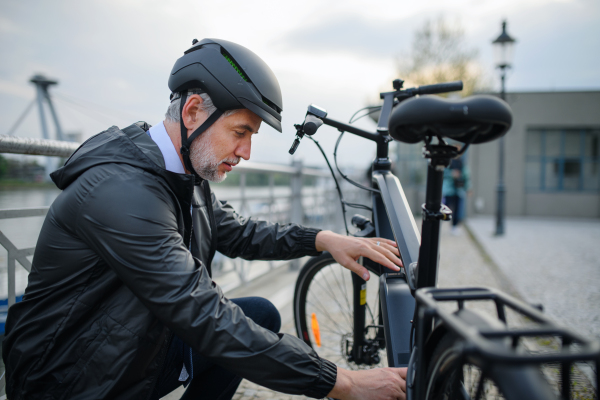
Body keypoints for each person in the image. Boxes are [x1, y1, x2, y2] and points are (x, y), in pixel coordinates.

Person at [3, 39, 407, 400]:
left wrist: (322, 238)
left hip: (132, 342)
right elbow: (199, 312)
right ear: (194, 111)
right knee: (224, 326)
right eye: (239, 132)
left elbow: (241, 232)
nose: (245, 152)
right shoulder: (122, 190)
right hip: (71, 376)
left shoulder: (182, 173)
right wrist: (344, 383)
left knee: (258, 314)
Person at [442, 156, 471, 235]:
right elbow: (442, 172)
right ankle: (439, 223)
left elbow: (466, 176)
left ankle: (454, 226)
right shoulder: (448, 162)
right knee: (444, 207)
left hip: (459, 190)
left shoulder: (461, 163)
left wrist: (468, 188)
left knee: (457, 209)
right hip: (448, 190)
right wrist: (452, 174)